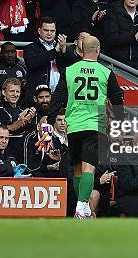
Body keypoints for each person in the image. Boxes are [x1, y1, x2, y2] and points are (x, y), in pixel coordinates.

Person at [54, 35, 123, 219]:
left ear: (82, 50)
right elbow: (117, 99)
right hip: (94, 124)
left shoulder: (69, 70)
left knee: (77, 169)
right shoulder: (105, 72)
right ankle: (81, 208)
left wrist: (48, 118)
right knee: (89, 168)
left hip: (73, 126)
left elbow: (58, 97)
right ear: (98, 50)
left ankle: (82, 209)